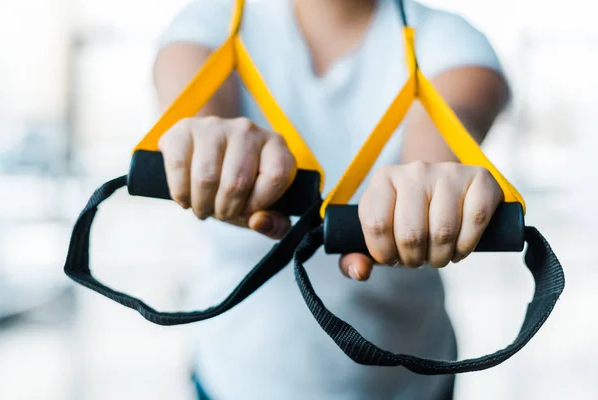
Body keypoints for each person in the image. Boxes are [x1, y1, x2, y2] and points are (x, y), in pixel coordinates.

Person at [154, 0, 509, 398]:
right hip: (232, 379)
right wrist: (208, 144)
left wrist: (429, 189)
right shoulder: (209, 23)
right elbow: (197, 112)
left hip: (409, 386)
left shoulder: (450, 41)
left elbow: (442, 136)